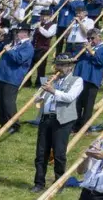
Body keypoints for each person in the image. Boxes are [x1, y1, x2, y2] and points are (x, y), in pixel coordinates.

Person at [31, 54, 83, 192]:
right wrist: (40, 94)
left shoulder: (77, 80)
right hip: (46, 118)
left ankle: (59, 183)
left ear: (70, 67)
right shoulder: (51, 80)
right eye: (58, 65)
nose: (59, 68)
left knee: (59, 153)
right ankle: (39, 183)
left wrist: (52, 90)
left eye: (63, 65)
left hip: (63, 120)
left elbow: (69, 97)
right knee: (41, 153)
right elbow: (37, 99)